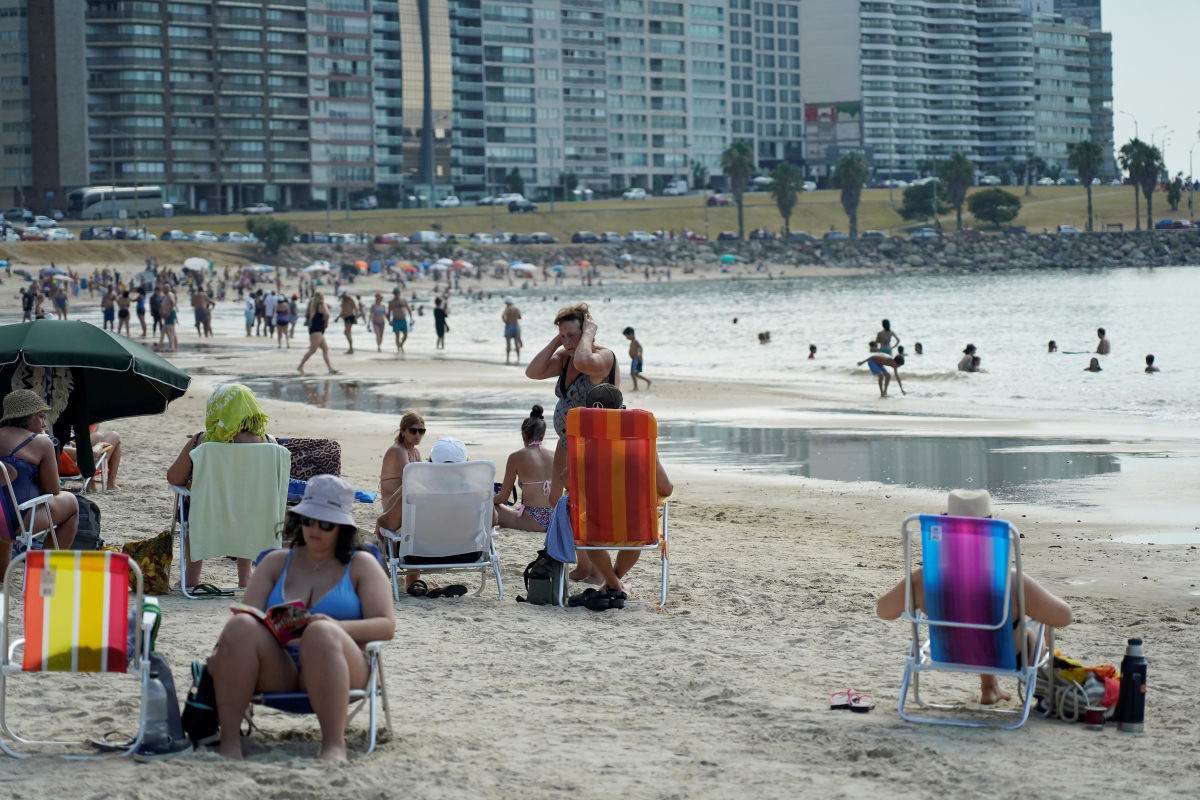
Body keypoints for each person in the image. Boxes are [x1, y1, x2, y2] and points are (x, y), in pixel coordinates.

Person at [205, 475, 395, 762]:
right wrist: (221, 651)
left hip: (339, 664)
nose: (315, 528)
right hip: (279, 667)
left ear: (342, 527)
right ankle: (229, 743)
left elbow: (386, 625)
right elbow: (247, 616)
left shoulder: (360, 564)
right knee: (241, 625)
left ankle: (334, 746)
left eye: (326, 523)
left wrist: (333, 625)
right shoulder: (276, 562)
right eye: (309, 520)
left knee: (320, 632)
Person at [875, 489, 1073, 705]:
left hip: (952, 652)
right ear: (991, 533)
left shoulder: (924, 579)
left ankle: (990, 688)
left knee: (974, 615)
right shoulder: (1010, 580)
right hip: (1008, 657)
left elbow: (883, 611)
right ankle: (1030, 691)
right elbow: (1063, 617)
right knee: (1031, 622)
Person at [166, 384, 277, 589]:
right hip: (253, 516)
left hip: (208, 515)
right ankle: (245, 577)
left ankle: (191, 577)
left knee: (194, 510)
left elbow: (173, 478)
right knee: (246, 509)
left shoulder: (202, 442)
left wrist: (195, 482)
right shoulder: (270, 444)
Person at [566, 384, 673, 593]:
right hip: (635, 527)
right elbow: (666, 489)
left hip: (593, 528)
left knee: (587, 532)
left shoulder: (582, 449)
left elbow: (565, 482)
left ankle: (613, 584)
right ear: (621, 412)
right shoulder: (641, 448)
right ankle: (615, 584)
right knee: (638, 529)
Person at [525, 302, 620, 500]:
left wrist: (588, 334)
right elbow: (533, 372)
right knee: (554, 499)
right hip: (566, 441)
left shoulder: (604, 357)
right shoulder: (565, 358)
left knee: (580, 496)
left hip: (593, 444)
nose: (567, 342)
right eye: (563, 336)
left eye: (572, 335)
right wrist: (557, 342)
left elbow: (583, 362)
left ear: (587, 332)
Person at [377, 436, 481, 598]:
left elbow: (390, 524)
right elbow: (493, 521)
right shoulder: (478, 492)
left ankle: (396, 580)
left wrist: (380, 520)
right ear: (466, 463)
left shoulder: (415, 492)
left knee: (404, 531)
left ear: (431, 462)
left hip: (418, 555)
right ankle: (412, 581)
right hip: (469, 554)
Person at [0, 390, 79, 575]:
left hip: (2, 516)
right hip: (17, 523)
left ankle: (3, 577)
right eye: (41, 417)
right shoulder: (40, 442)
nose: (44, 424)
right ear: (26, 417)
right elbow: (52, 490)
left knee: (5, 499)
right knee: (72, 504)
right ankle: (46, 574)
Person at [375, 411, 424, 588]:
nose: (418, 435)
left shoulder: (415, 452)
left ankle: (412, 578)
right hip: (392, 508)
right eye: (413, 431)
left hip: (407, 505)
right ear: (403, 431)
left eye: (421, 431)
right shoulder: (398, 451)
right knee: (414, 531)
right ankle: (413, 580)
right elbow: (413, 481)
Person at [493, 405, 555, 532]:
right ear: (542, 436)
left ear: (523, 435)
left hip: (534, 520)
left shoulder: (516, 457)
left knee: (490, 508)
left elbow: (503, 498)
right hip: (555, 518)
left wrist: (486, 500)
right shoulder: (554, 455)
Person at [59, 428, 124, 491]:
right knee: (114, 435)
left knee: (97, 436)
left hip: (67, 463)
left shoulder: (52, 444)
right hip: (84, 467)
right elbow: (92, 454)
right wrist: (100, 445)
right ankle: (111, 484)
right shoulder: (59, 448)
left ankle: (91, 483)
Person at [297, 292, 338, 375]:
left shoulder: (313, 305)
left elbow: (330, 306)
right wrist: (327, 322)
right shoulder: (321, 305)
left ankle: (330, 368)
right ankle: (300, 366)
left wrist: (323, 302)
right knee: (313, 349)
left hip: (314, 329)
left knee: (325, 349)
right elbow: (327, 314)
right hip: (317, 330)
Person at [623, 326, 652, 390]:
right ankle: (648, 381)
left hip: (636, 359)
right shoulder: (632, 342)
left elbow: (640, 348)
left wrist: (640, 355)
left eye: (627, 336)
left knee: (633, 373)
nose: (626, 338)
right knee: (635, 373)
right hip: (634, 359)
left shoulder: (635, 341)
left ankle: (636, 387)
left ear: (631, 334)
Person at [388, 288, 411, 353]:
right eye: (395, 294)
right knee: (397, 335)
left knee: (405, 335)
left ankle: (401, 344)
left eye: (397, 293)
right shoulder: (391, 302)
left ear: (399, 293)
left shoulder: (404, 300)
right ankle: (398, 349)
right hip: (396, 320)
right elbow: (389, 312)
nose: (396, 295)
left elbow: (408, 308)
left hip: (403, 320)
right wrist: (389, 320)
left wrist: (411, 317)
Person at [159, 284, 178, 353]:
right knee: (171, 330)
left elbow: (173, 304)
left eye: (163, 289)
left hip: (170, 314)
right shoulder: (165, 296)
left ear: (166, 289)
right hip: (168, 314)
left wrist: (168, 312)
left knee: (168, 330)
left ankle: (172, 346)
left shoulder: (169, 295)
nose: (162, 291)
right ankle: (174, 346)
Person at [502, 297, 522, 364]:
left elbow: (503, 315)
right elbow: (520, 317)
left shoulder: (507, 308)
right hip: (516, 325)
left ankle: (507, 359)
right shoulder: (517, 308)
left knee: (508, 343)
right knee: (516, 343)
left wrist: (505, 321)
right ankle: (518, 359)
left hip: (509, 325)